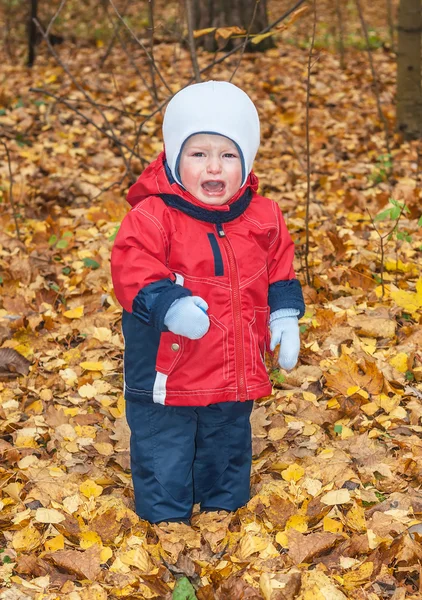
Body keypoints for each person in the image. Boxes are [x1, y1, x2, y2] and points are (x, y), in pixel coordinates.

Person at [111, 81, 305, 524]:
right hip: (168, 374)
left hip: (234, 369)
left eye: (228, 155)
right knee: (166, 455)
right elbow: (132, 268)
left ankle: (223, 519)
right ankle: (168, 529)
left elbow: (279, 268)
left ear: (247, 160)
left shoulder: (262, 216)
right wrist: (169, 305)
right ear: (176, 157)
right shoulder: (152, 216)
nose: (213, 167)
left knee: (228, 447)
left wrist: (285, 316)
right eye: (199, 154)